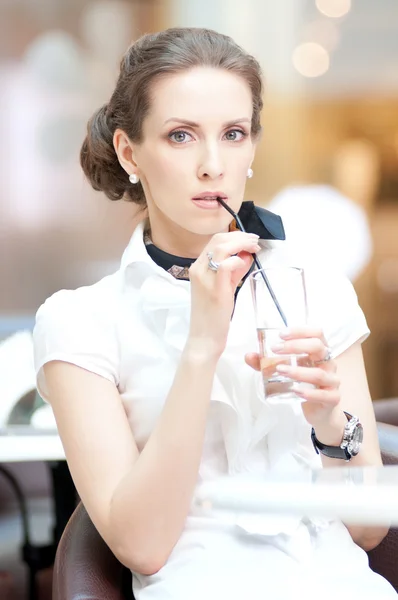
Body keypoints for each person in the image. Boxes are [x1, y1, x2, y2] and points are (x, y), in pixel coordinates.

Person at [32, 28, 397, 599]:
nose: (212, 164)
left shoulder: (314, 286)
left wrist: (330, 424)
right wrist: (202, 346)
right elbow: (143, 546)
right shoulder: (80, 322)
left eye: (233, 134)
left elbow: (370, 531)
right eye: (181, 136)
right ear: (130, 152)